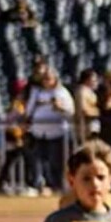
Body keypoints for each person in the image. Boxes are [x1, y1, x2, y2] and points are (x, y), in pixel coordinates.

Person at [27, 66, 74, 196]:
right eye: (44, 79)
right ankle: (39, 184)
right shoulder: (37, 93)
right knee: (38, 160)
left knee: (55, 160)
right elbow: (29, 110)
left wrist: (59, 107)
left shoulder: (62, 93)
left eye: (49, 79)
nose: (46, 81)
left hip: (56, 132)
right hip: (38, 131)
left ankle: (56, 185)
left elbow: (70, 111)